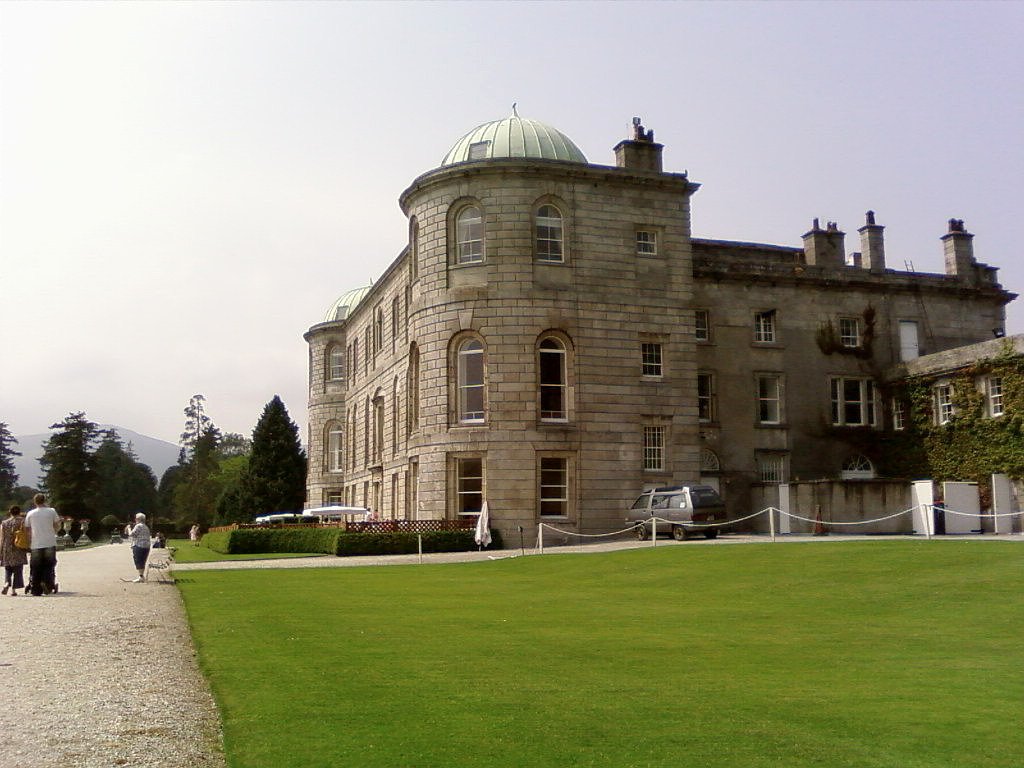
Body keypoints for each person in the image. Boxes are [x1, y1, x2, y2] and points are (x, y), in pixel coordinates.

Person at [24, 493, 61, 596]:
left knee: (36, 566)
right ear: (44, 500)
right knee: (49, 565)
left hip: (36, 543)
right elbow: (57, 524)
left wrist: (29, 540)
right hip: (49, 541)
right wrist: (54, 531)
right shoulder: (51, 511)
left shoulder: (30, 513)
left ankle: (35, 589)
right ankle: (46, 583)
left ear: (35, 501)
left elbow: (27, 529)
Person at [0, 505, 28, 596]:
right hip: (18, 546)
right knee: (18, 569)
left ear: (10, 512)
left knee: (8, 568)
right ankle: (13, 590)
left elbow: (2, 538)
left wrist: (1, 551)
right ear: (19, 512)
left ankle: (7, 582)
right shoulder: (22, 521)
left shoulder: (4, 523)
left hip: (7, 547)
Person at [127, 512, 152, 583]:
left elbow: (131, 534)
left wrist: (129, 528)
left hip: (139, 546)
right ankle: (141, 576)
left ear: (138, 519)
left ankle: (141, 577)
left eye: (136, 518)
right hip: (146, 547)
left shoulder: (138, 526)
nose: (135, 520)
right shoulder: (146, 527)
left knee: (138, 561)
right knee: (142, 561)